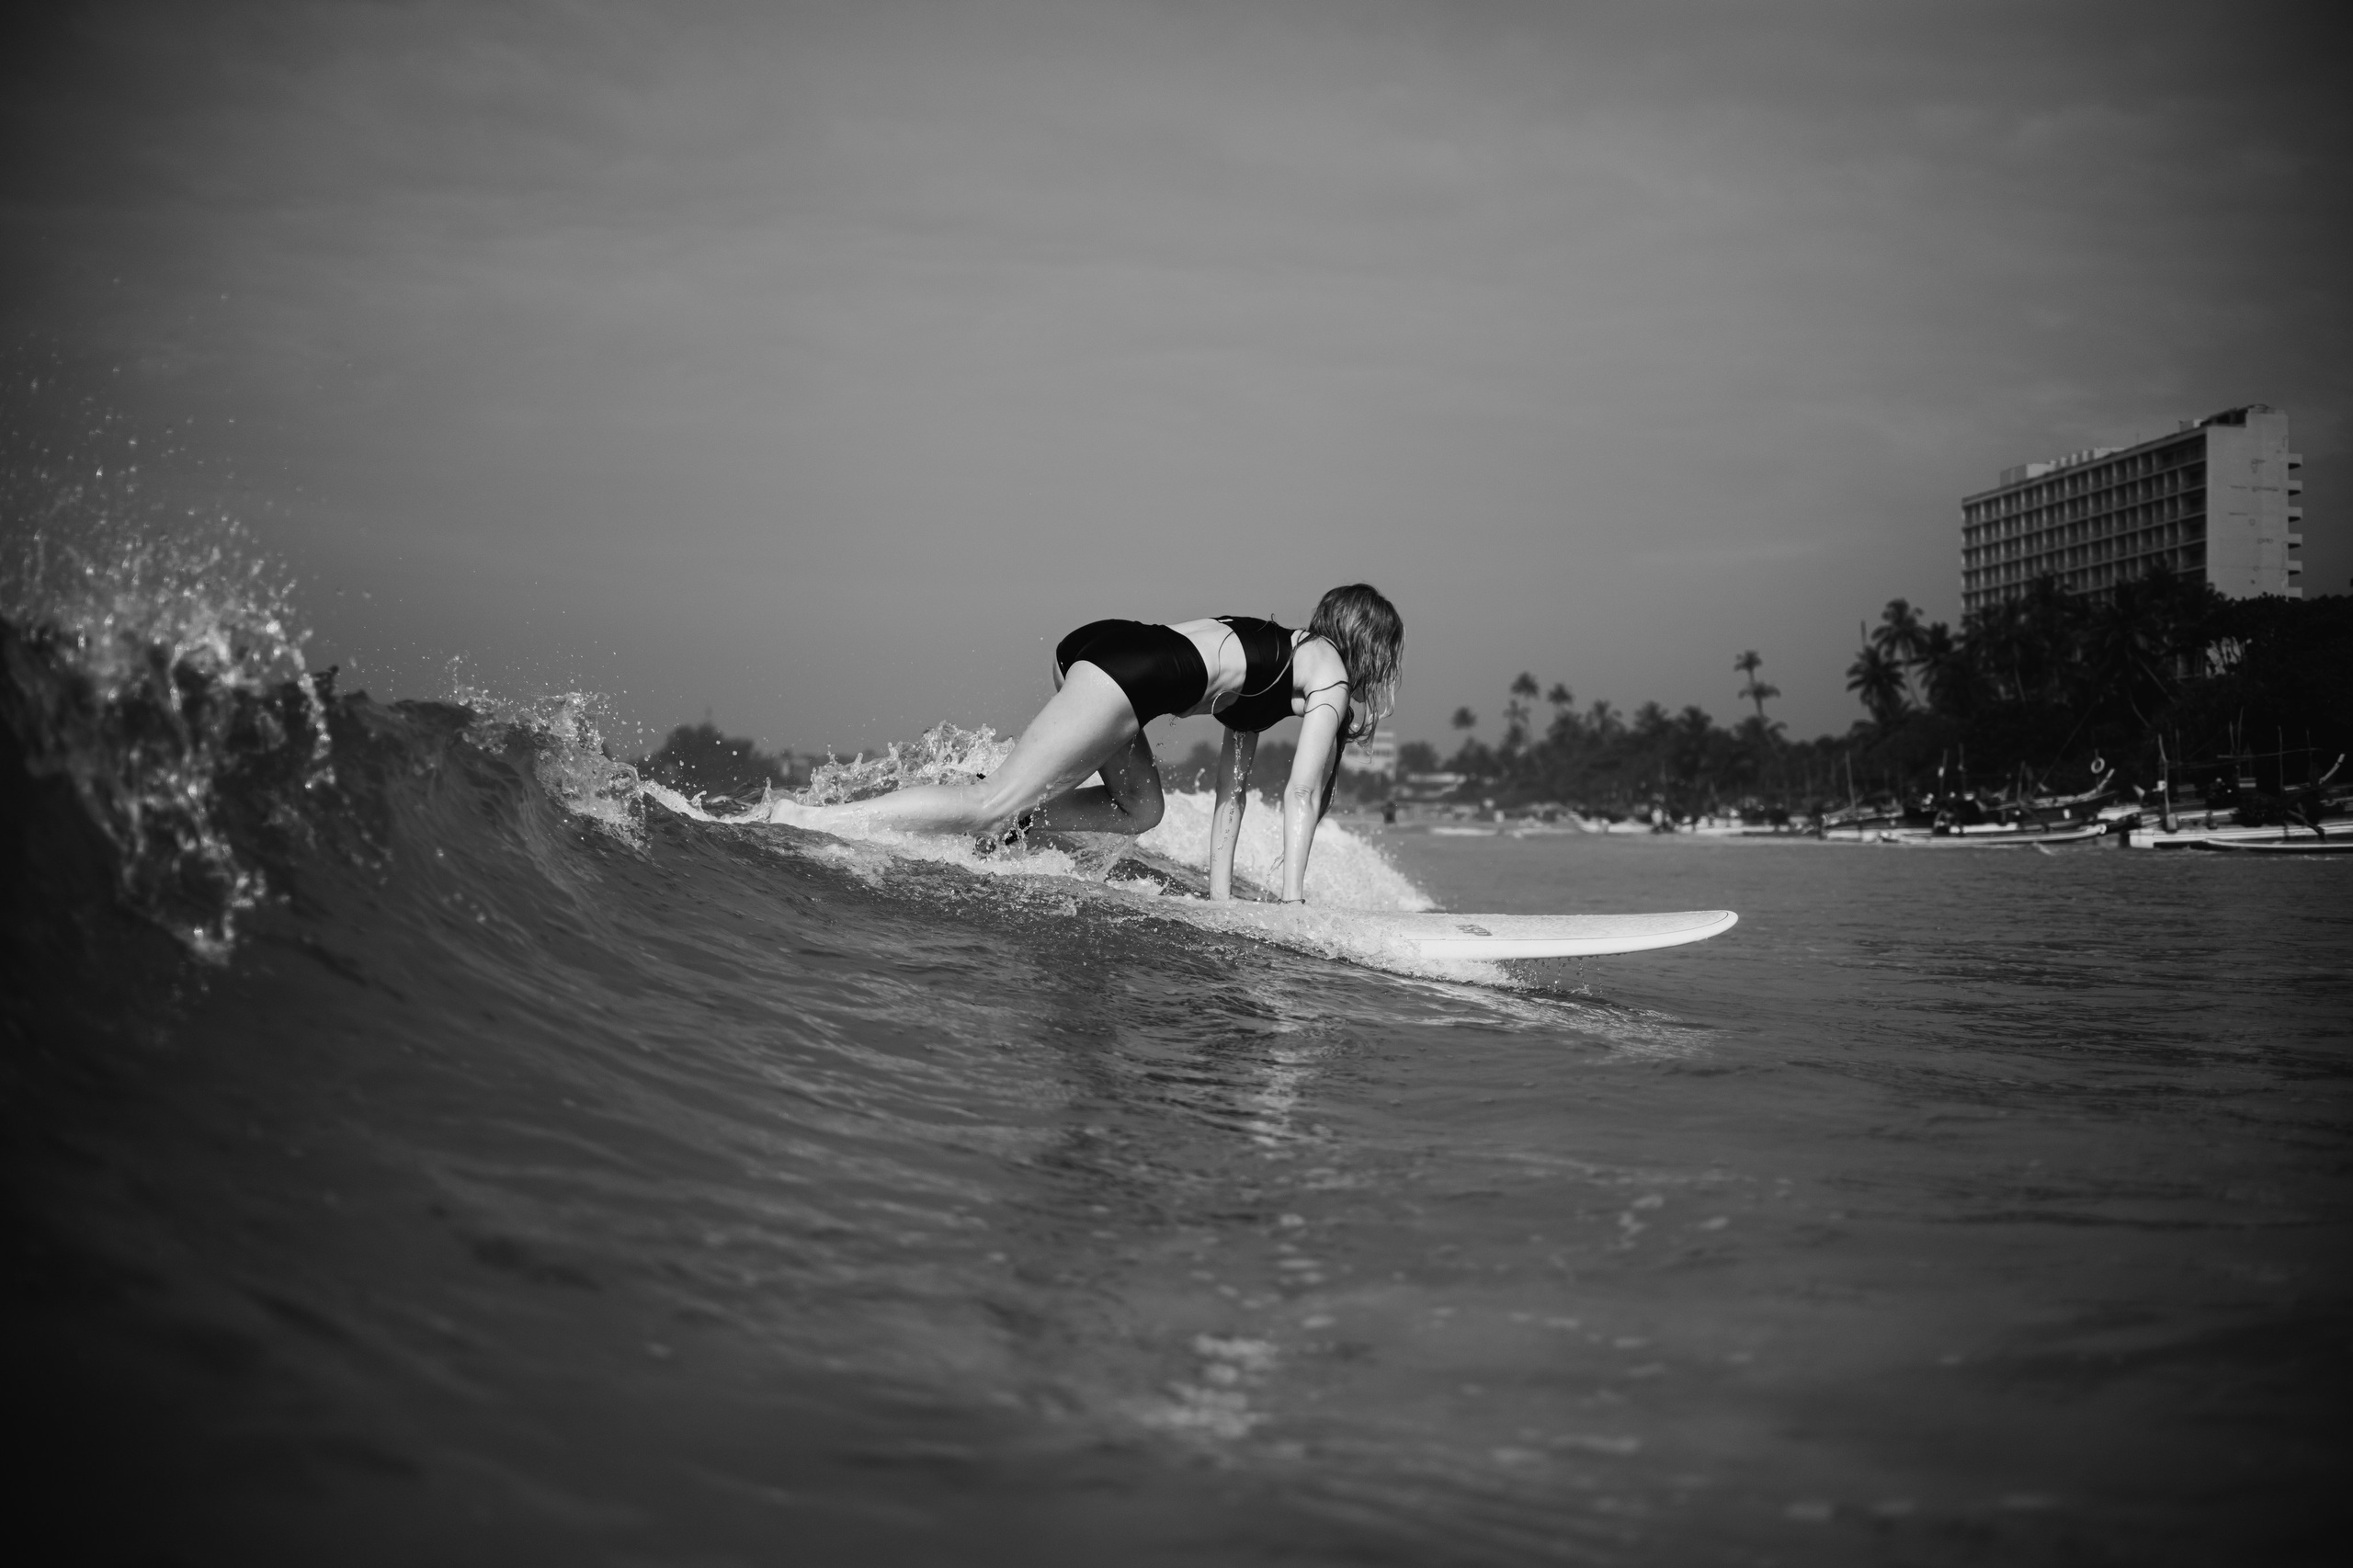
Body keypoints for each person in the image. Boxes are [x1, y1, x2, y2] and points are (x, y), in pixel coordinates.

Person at [762, 584, 1404, 903]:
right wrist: (1293, 905)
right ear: (1367, 645)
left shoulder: (1280, 667)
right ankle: (813, 819)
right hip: (1130, 674)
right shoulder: (1331, 670)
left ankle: (1005, 824)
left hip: (1109, 650)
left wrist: (1220, 904)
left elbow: (1230, 801)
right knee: (996, 801)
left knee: (1141, 810)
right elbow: (1301, 790)